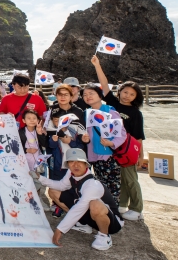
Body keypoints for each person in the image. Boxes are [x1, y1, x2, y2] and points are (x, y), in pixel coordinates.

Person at [92, 55, 145, 221]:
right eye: (125, 92)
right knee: (118, 178)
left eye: (132, 94)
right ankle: (122, 205)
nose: (127, 96)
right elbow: (104, 83)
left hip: (127, 149)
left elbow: (138, 137)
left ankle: (137, 209)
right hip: (111, 147)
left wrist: (140, 155)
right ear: (120, 91)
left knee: (131, 179)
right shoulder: (112, 103)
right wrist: (97, 65)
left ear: (136, 97)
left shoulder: (136, 113)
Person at [40, 148, 123, 251]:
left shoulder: (92, 184)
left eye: (79, 161)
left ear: (85, 164)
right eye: (71, 161)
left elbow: (79, 208)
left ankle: (104, 236)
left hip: (112, 223)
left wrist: (59, 230)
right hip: (89, 214)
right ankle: (82, 224)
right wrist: (40, 178)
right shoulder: (71, 173)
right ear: (68, 164)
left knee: (95, 204)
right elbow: (61, 185)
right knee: (53, 191)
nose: (75, 165)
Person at [81, 83, 127, 205]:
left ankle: (113, 212)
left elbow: (122, 133)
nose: (88, 96)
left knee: (112, 186)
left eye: (91, 93)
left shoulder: (110, 111)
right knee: (99, 186)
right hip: (94, 155)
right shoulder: (86, 113)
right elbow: (86, 133)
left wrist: (111, 143)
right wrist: (85, 139)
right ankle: (102, 210)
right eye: (85, 95)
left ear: (100, 95)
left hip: (108, 155)